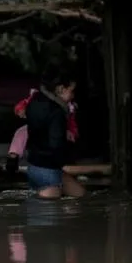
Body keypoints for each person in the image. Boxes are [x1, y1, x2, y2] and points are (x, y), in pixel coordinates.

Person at [22, 71, 86, 199]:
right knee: (49, 211)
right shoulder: (56, 112)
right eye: (71, 91)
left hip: (34, 166)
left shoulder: (34, 101)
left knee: (80, 195)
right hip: (48, 169)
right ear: (61, 89)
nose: (73, 96)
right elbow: (55, 144)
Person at [6, 89, 78, 174]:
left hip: (55, 131)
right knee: (21, 133)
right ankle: (13, 158)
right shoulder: (40, 97)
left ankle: (65, 165)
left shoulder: (69, 107)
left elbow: (71, 124)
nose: (72, 95)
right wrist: (21, 109)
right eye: (70, 92)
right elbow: (23, 105)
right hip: (38, 126)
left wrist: (71, 132)